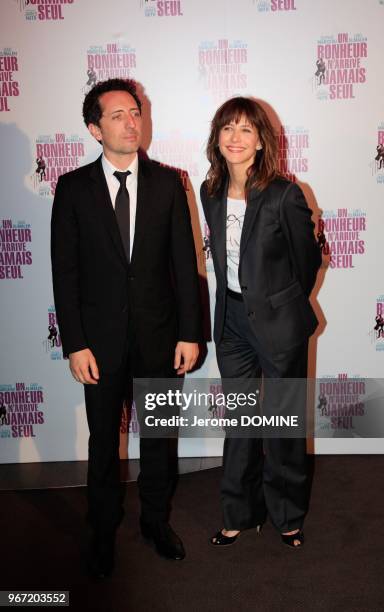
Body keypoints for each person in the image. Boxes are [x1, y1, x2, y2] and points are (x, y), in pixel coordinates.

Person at [51, 78, 202, 577]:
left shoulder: (168, 182)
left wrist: (190, 333)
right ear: (95, 129)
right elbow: (65, 271)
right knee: (101, 443)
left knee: (159, 438)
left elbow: (185, 264)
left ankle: (156, 523)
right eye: (117, 115)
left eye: (134, 112)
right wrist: (74, 343)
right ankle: (102, 529)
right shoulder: (73, 188)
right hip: (100, 344)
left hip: (161, 339)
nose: (130, 122)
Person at [200, 97, 321, 549]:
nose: (235, 137)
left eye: (246, 130)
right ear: (217, 137)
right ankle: (239, 511)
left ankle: (287, 515)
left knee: (283, 423)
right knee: (241, 422)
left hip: (278, 322)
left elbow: (305, 264)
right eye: (228, 128)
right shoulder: (208, 190)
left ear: (261, 141)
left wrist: (280, 305)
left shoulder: (284, 193)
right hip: (231, 321)